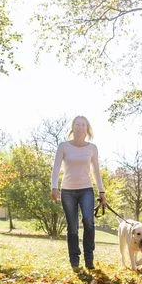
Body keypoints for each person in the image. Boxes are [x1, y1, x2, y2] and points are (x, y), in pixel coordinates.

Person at [50, 116, 106, 270]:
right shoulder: (63, 146)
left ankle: (89, 259)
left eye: (83, 124)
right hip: (67, 191)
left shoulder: (92, 148)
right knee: (72, 227)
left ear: (87, 128)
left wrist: (101, 191)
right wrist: (54, 187)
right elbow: (55, 168)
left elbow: (96, 171)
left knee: (89, 222)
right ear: (72, 127)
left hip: (86, 189)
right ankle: (74, 260)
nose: (80, 127)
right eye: (77, 124)